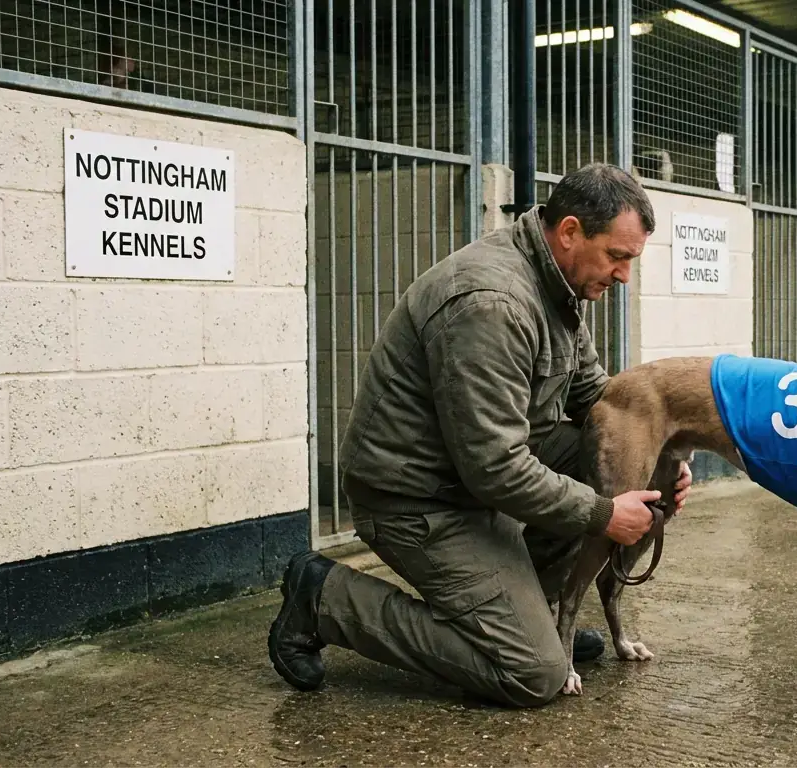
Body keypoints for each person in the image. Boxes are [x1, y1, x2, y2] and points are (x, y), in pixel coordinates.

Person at [267, 164, 693, 708]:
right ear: (568, 233)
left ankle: (528, 615)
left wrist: (655, 461)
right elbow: (495, 466)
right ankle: (325, 598)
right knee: (532, 674)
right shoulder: (491, 301)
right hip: (419, 502)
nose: (624, 275)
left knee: (608, 463)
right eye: (618, 256)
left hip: (475, 487)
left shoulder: (558, 287)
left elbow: (600, 403)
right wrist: (604, 513)